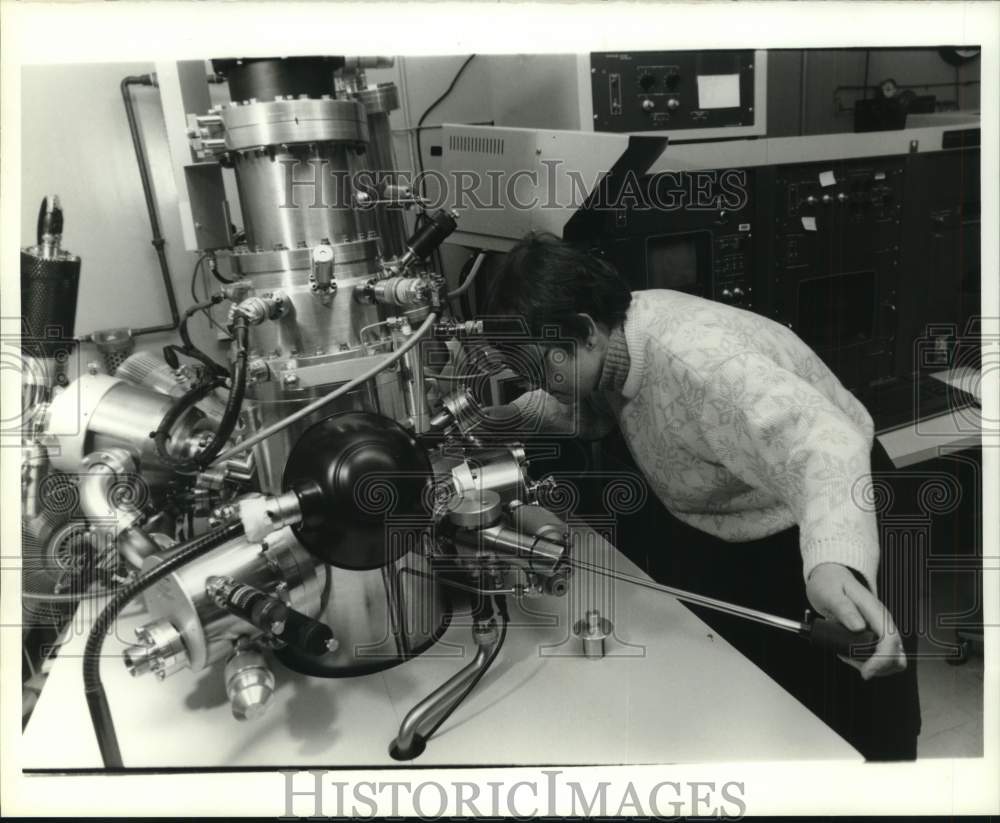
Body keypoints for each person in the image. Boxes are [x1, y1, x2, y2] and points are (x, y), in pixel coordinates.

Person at [483, 231, 920, 760]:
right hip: (738, 517)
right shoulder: (610, 337)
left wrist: (832, 563)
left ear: (584, 331)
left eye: (538, 367)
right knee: (773, 705)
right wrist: (499, 417)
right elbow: (586, 404)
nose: (536, 381)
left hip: (830, 506)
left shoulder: (701, 362)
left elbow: (825, 447)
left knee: (861, 708)